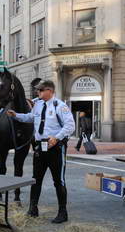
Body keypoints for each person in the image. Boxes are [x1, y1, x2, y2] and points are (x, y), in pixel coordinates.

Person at [6, 80, 75, 224]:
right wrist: (16, 115)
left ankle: (63, 212)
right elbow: (31, 118)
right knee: (35, 178)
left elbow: (70, 126)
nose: (38, 93)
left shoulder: (60, 106)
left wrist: (57, 138)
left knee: (58, 180)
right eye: (38, 90)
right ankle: (33, 208)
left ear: (50, 90)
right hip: (39, 146)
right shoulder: (38, 105)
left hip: (55, 148)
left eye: (41, 90)